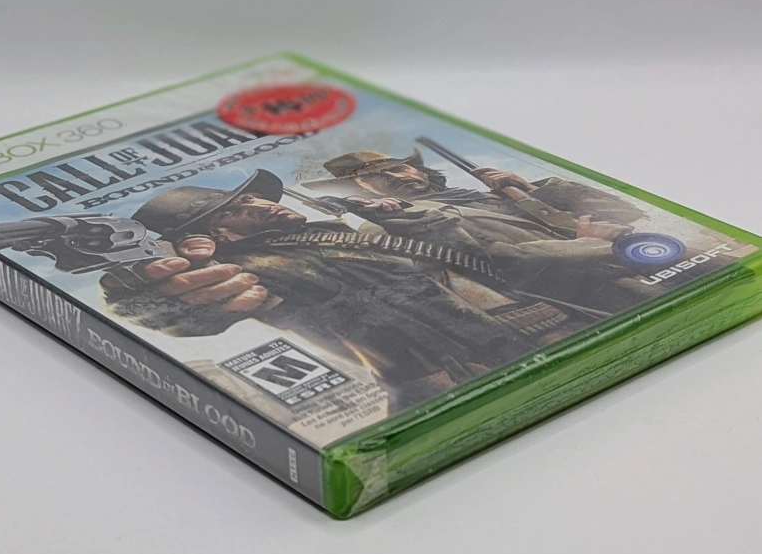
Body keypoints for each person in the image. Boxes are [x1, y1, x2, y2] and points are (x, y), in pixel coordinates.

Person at [100, 170, 586, 410]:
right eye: (237, 209)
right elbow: (189, 304)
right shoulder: (252, 264)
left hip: (541, 328)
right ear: (216, 234)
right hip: (455, 380)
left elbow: (464, 253)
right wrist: (148, 298)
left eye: (254, 198)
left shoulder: (331, 229)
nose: (263, 205)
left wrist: (399, 215)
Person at [301, 148, 644, 245]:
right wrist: (586, 242)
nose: (392, 176)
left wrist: (530, 188)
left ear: (420, 171)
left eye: (398, 168)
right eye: (375, 176)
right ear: (364, 188)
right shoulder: (402, 216)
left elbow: (625, 212)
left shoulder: (500, 193)